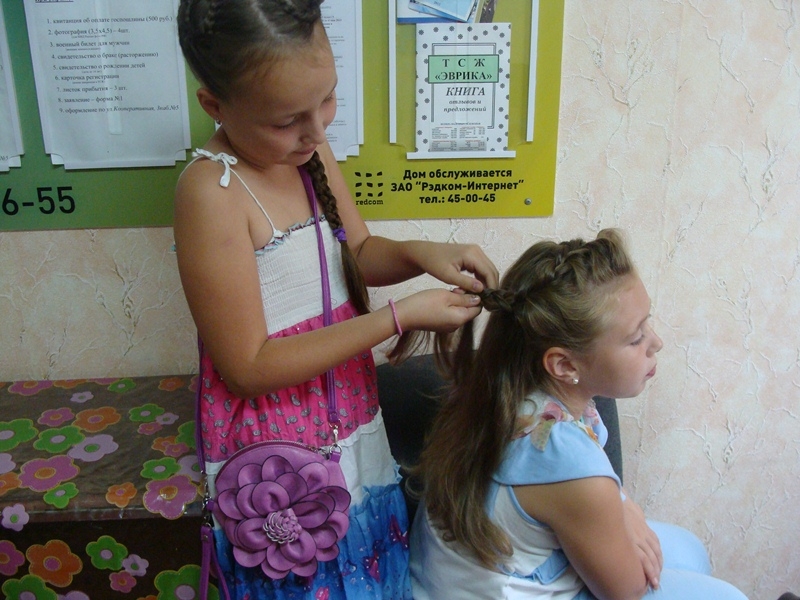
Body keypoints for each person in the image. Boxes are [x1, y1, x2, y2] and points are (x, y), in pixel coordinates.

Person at [174, 1, 498, 598]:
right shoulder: (211, 192)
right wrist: (398, 317)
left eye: (327, 99)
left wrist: (423, 252)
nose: (318, 130)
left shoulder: (307, 153)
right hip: (278, 456)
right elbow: (248, 367)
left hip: (349, 419)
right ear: (214, 105)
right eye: (287, 120)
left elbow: (359, 251)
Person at [410, 229, 748, 600]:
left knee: (689, 551)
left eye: (647, 324)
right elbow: (626, 591)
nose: (656, 343)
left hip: (468, 575)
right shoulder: (568, 463)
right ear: (564, 365)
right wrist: (621, 514)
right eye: (636, 337)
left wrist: (623, 507)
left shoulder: (505, 390)